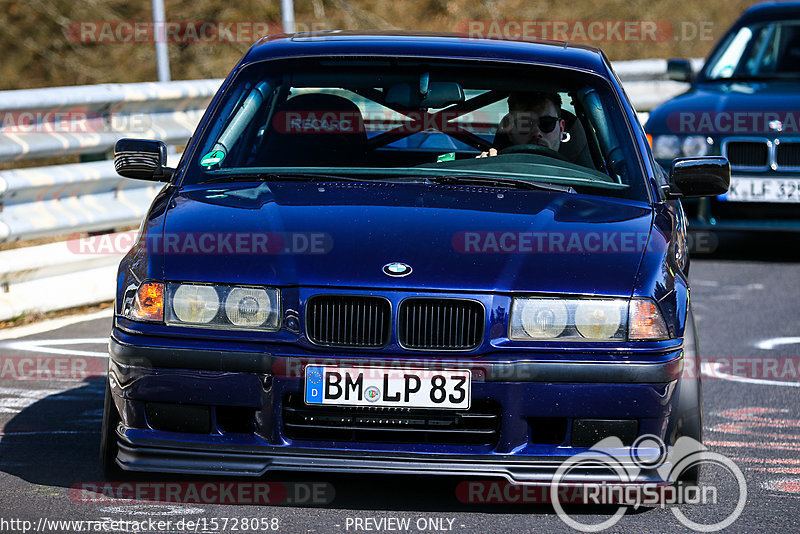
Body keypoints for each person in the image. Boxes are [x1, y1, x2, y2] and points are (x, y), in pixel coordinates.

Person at [478, 92, 567, 157]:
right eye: (525, 125)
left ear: (561, 128)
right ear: (510, 131)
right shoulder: (493, 169)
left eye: (546, 124)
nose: (536, 133)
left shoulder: (578, 176)